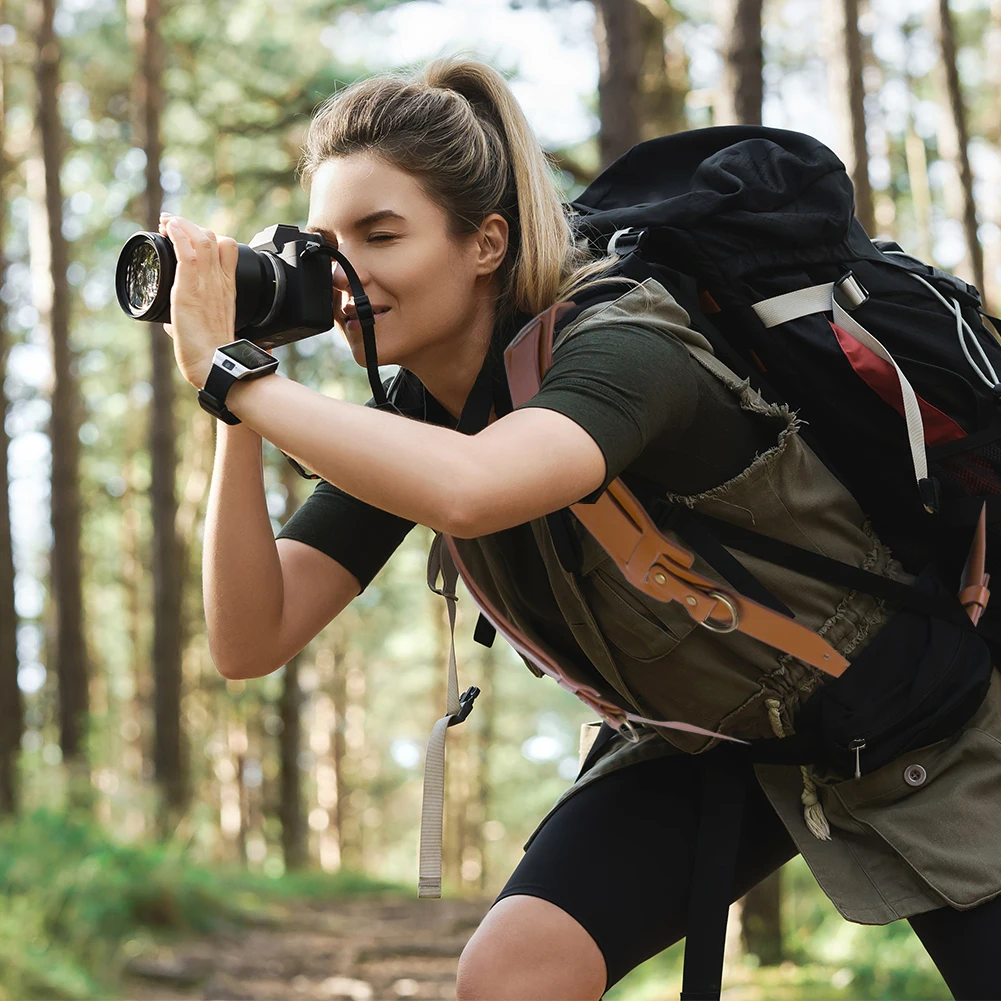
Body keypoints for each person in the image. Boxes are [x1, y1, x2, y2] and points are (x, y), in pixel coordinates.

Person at [157, 57, 1001, 1001]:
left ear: (485, 243)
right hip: (710, 731)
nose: (342, 274)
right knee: (517, 972)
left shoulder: (623, 342)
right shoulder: (412, 421)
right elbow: (249, 636)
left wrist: (241, 381)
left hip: (908, 707)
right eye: (322, 245)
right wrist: (231, 393)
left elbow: (475, 490)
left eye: (380, 234)